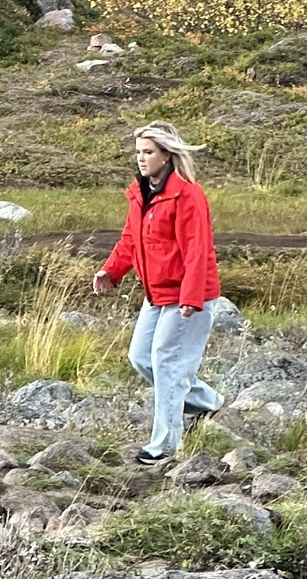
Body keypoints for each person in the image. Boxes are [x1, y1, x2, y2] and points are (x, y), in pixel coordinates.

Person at [93, 122, 223, 464]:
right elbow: (130, 240)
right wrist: (111, 270)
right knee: (140, 357)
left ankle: (164, 446)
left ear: (167, 155)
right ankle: (207, 403)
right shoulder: (140, 192)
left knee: (167, 364)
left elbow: (197, 249)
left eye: (148, 152)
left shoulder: (187, 193)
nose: (141, 158)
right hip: (157, 293)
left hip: (187, 296)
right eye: (138, 152)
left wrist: (192, 298)